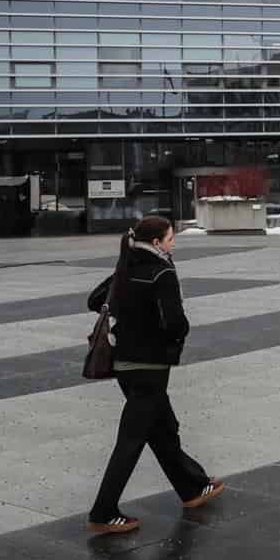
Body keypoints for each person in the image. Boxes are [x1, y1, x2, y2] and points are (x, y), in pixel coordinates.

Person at [85, 215, 221, 534]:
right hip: (151, 367)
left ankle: (192, 488)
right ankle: (102, 512)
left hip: (124, 366)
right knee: (131, 440)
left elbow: (94, 300)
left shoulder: (126, 267)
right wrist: (174, 335)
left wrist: (129, 317)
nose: (174, 243)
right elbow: (174, 322)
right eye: (172, 238)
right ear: (157, 243)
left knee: (163, 429)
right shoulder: (162, 271)